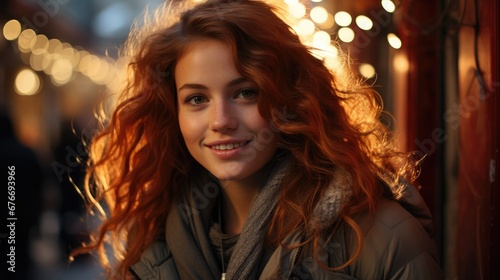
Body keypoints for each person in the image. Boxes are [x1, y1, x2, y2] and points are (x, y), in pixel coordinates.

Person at [73, 0, 444, 279]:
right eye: (197, 99)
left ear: (292, 97)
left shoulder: (380, 234)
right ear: (174, 112)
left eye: (246, 92)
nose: (221, 121)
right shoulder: (150, 240)